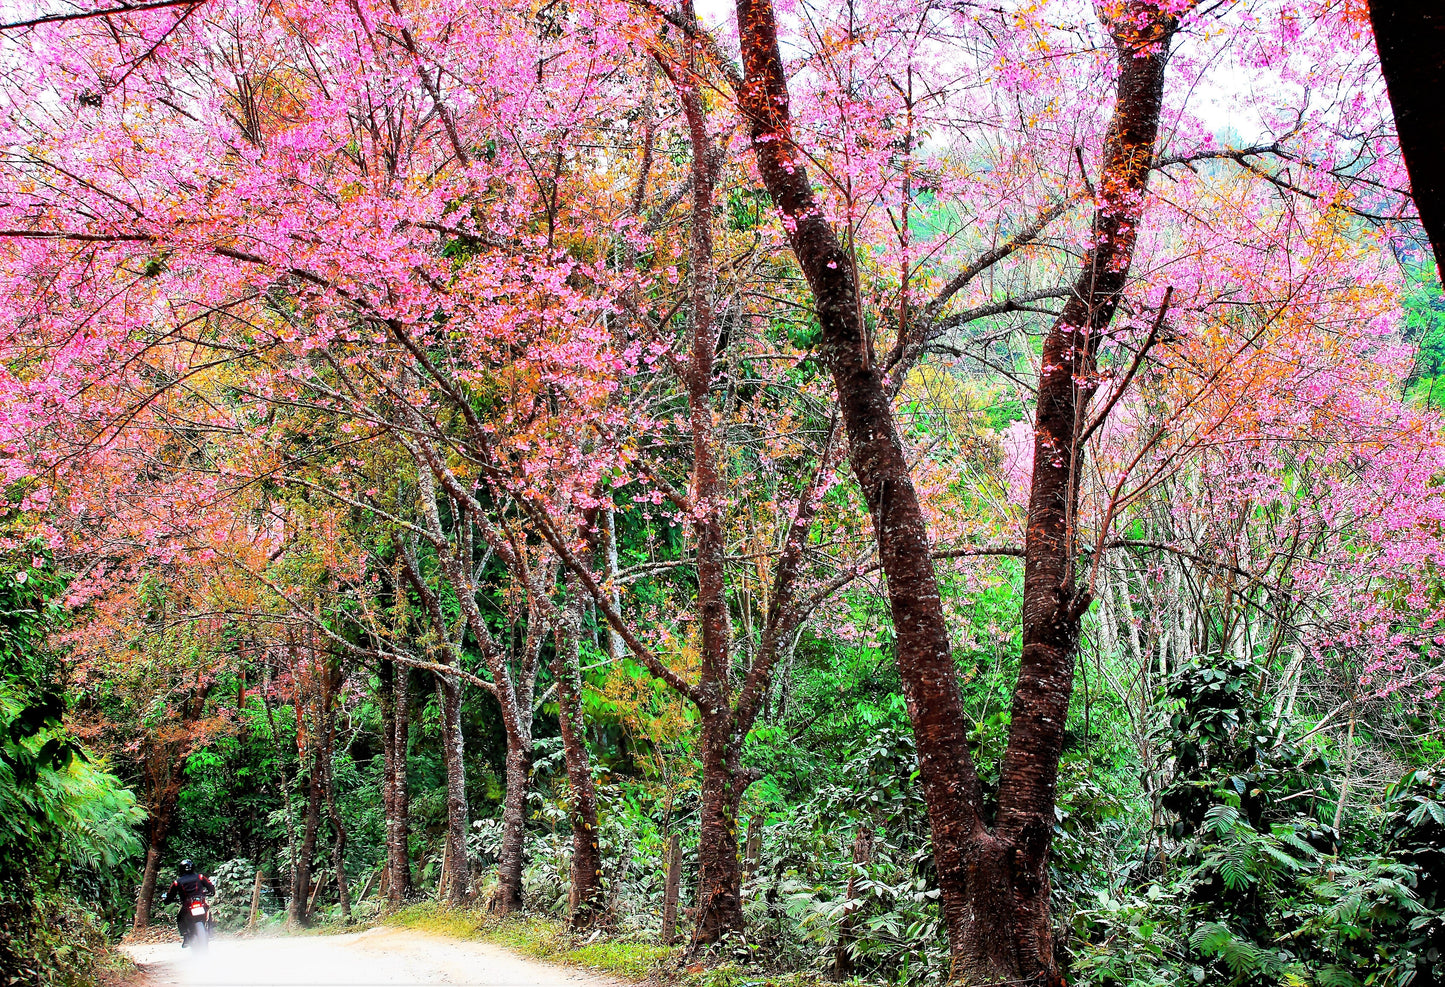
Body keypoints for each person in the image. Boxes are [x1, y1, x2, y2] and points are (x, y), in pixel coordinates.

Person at [162, 860, 215, 942]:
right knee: (209, 912)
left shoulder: (177, 882)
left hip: (187, 905)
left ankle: (186, 936)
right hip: (200, 902)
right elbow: (210, 886)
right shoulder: (200, 877)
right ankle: (211, 931)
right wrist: (211, 892)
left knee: (180, 918)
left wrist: (167, 900)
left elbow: (170, 895)